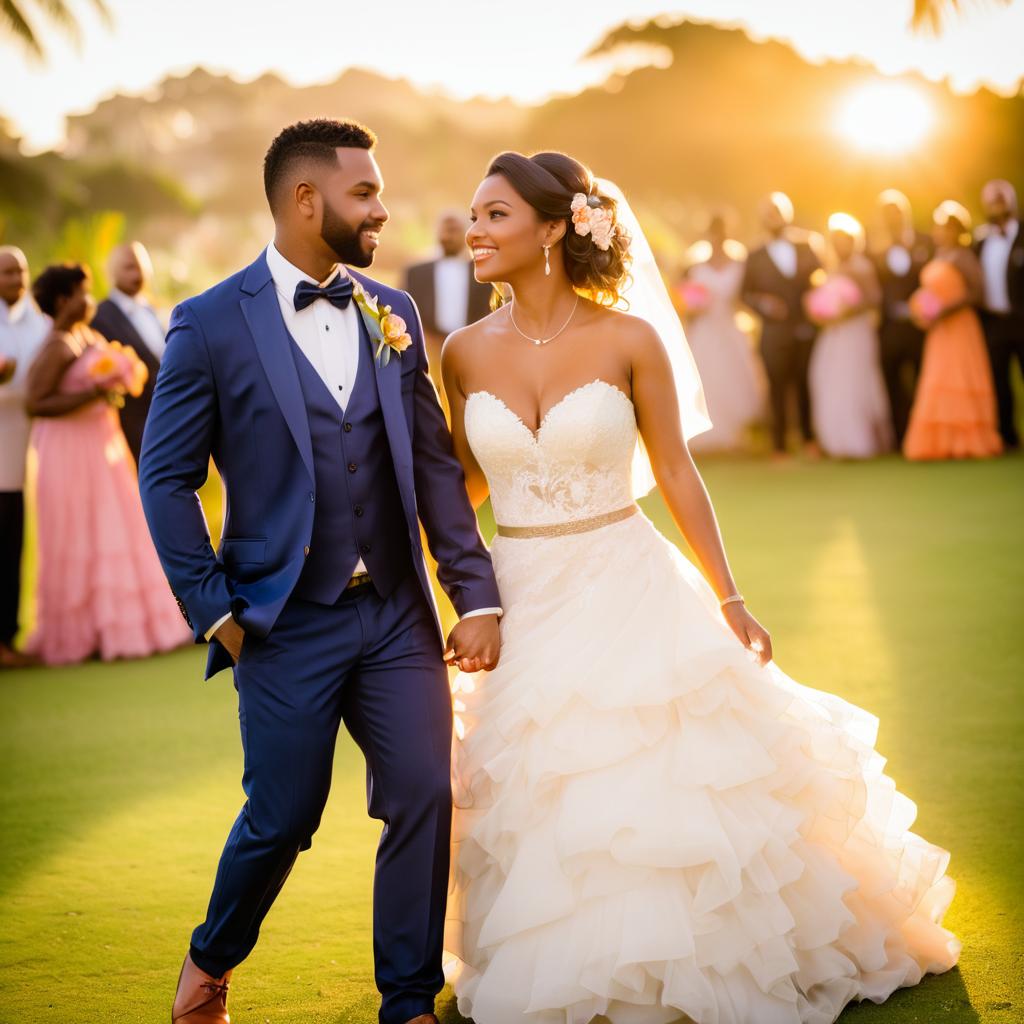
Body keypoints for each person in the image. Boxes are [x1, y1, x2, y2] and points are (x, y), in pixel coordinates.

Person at [440, 151, 959, 1024]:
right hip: (520, 593)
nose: (475, 232)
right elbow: (464, 487)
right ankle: (565, 961)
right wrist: (445, 587)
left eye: (495, 215)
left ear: (555, 228)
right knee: (542, 783)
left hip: (626, 580)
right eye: (475, 216)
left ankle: (683, 962)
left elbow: (676, 470)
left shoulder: (629, 338)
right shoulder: (460, 351)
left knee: (656, 774)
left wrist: (728, 595)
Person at [138, 119, 502, 1024]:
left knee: (423, 793)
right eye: (365, 193)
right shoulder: (210, 323)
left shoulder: (395, 312)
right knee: (283, 816)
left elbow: (432, 470)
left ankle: (408, 1001)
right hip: (281, 620)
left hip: (394, 618)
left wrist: (475, 591)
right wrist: (211, 606)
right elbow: (166, 475)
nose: (382, 210)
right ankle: (211, 960)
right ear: (307, 201)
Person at [23, 263, 190, 665]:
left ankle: (129, 626)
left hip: (101, 447)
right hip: (69, 451)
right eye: (82, 293)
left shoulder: (86, 334)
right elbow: (35, 402)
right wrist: (94, 394)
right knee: (79, 535)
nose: (89, 299)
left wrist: (115, 383)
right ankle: (81, 634)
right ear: (64, 301)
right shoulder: (58, 344)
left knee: (113, 529)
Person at [903, 202, 1003, 460]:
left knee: (960, 377)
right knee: (938, 379)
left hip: (960, 325)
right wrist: (922, 307)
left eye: (945, 229)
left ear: (957, 231)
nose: (940, 233)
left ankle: (968, 441)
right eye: (938, 228)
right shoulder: (938, 256)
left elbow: (977, 292)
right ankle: (941, 442)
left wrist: (945, 309)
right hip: (939, 330)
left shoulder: (963, 256)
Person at [741, 192, 822, 459]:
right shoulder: (754, 255)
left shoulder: (807, 245)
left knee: (805, 383)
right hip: (773, 333)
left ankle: (810, 440)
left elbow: (822, 279)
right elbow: (745, 294)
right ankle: (779, 446)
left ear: (787, 215)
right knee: (776, 386)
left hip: (806, 327)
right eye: (768, 212)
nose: (773, 217)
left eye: (777, 211)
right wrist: (765, 305)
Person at [807, 214, 893, 458]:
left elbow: (873, 299)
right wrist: (822, 312)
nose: (839, 245)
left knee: (854, 382)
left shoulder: (862, 267)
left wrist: (846, 312)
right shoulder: (831, 268)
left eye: (844, 240)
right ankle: (835, 441)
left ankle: (860, 441)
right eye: (836, 241)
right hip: (833, 333)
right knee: (827, 379)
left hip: (855, 332)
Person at [0, 245, 48, 668]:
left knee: (14, 544)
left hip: (33, 448)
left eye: (20, 270)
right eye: (6, 273)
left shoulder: (42, 324)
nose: (15, 279)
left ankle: (9, 638)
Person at [680, 215, 764, 452]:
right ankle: (706, 434)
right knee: (705, 376)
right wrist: (693, 306)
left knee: (734, 376)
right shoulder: (696, 268)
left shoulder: (740, 265)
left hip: (729, 326)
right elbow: (683, 298)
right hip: (703, 329)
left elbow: (743, 300)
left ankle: (736, 434)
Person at [90, 241, 165, 465]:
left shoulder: (150, 310)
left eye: (141, 267)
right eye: (129, 267)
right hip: (129, 422)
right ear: (113, 272)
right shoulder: (101, 315)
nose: (137, 274)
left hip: (160, 416)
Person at [403, 210, 493, 386]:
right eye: (446, 229)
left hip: (474, 349)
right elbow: (404, 310)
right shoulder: (415, 272)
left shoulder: (485, 272)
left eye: (455, 229)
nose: (449, 235)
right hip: (428, 350)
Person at [871, 190, 932, 445]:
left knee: (923, 381)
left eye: (896, 213)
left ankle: (926, 434)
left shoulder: (925, 242)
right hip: (889, 328)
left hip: (920, 326)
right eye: (887, 215)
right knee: (892, 384)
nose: (892, 219)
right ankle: (900, 438)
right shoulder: (875, 248)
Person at [975, 179, 1024, 450]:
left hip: (1021, 320)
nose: (997, 205)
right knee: (998, 380)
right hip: (993, 321)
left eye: (1001, 199)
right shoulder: (980, 242)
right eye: (992, 201)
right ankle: (1007, 436)